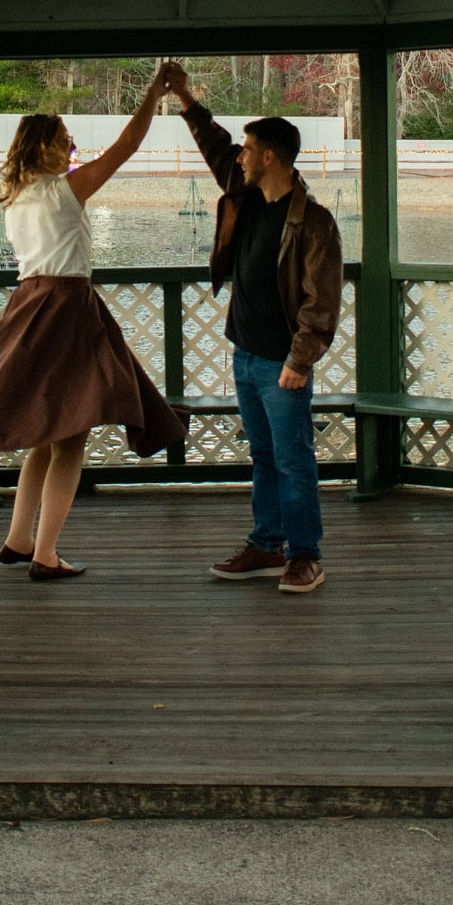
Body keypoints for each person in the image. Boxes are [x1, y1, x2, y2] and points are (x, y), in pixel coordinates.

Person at [0, 71, 186, 581]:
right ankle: (47, 553)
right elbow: (125, 148)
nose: (73, 145)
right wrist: (152, 96)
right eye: (64, 138)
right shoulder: (62, 192)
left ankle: (19, 539)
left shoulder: (16, 197)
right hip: (66, 308)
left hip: (29, 304)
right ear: (43, 147)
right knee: (71, 436)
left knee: (46, 428)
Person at [162, 63, 343, 593]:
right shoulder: (244, 196)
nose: (238, 157)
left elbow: (321, 301)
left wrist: (298, 361)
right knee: (263, 455)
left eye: (248, 150)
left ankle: (305, 554)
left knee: (292, 459)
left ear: (269, 157)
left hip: (281, 364)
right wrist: (186, 98)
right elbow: (217, 147)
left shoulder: (313, 222)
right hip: (244, 354)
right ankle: (266, 544)